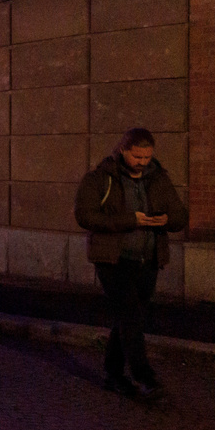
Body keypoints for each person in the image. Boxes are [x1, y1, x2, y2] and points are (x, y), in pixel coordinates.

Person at [74, 128, 188, 399]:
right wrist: (130, 220)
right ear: (123, 150)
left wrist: (166, 220)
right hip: (113, 260)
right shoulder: (100, 178)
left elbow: (180, 216)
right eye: (137, 156)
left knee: (128, 319)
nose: (143, 162)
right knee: (130, 314)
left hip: (147, 260)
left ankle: (113, 375)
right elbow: (85, 216)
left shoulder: (159, 179)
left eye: (148, 157)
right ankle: (144, 376)